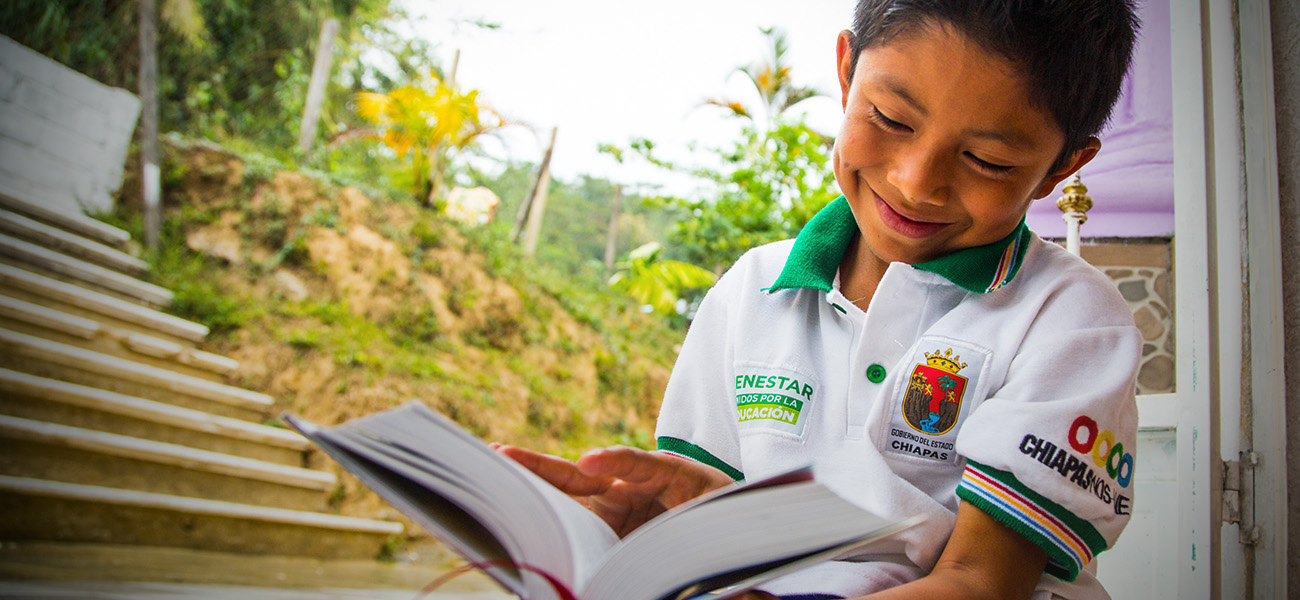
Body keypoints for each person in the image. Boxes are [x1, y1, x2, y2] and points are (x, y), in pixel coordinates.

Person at [499, 1, 1142, 598]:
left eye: (987, 160)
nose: (915, 183)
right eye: (889, 120)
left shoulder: (1069, 321)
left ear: (1060, 169)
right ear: (845, 72)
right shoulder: (754, 289)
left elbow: (979, 582)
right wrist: (681, 516)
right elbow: (724, 526)